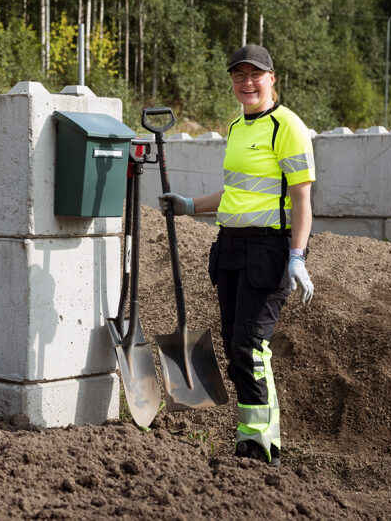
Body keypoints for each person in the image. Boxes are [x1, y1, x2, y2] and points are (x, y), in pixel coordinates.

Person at [158, 44, 314, 468]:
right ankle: (249, 438)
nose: (247, 83)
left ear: (272, 78)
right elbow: (236, 194)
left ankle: (264, 446)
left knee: (251, 346)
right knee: (233, 344)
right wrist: (191, 206)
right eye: (239, 76)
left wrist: (297, 255)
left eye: (255, 75)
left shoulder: (289, 127)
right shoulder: (237, 127)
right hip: (231, 244)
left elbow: (302, 199)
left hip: (269, 248)